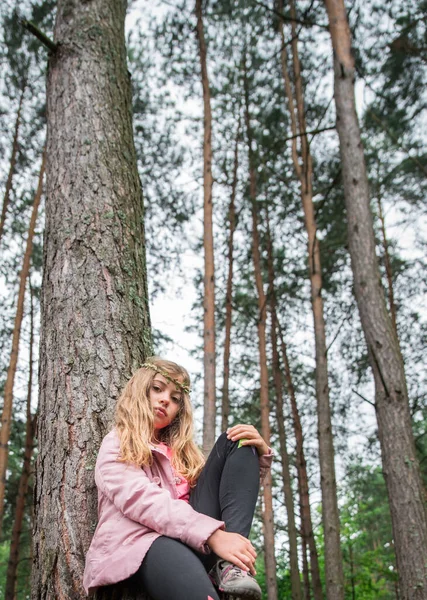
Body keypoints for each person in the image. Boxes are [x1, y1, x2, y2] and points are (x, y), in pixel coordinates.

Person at [83, 357, 273, 600]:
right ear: (141, 389)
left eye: (175, 399)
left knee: (237, 440)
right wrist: (214, 536)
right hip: (145, 542)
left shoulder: (183, 456)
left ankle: (230, 567)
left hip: (193, 538)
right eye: (158, 389)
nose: (165, 400)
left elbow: (227, 495)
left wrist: (260, 456)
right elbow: (143, 501)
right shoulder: (117, 443)